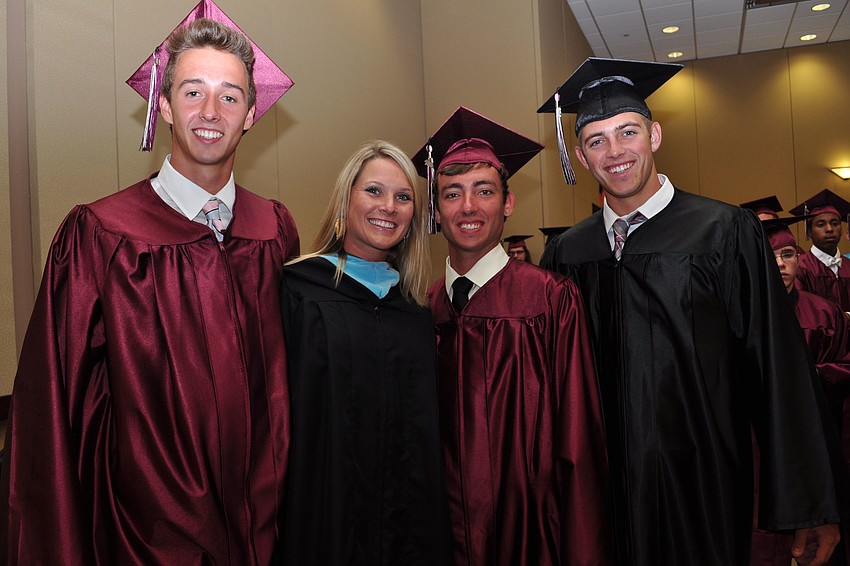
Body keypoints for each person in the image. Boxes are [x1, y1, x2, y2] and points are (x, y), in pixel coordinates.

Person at [0, 10, 299, 565]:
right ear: (162, 104)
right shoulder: (100, 235)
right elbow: (53, 406)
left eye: (231, 96)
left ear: (252, 114)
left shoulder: (273, 229)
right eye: (193, 91)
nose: (211, 112)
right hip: (145, 536)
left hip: (264, 526)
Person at [538, 57, 841, 566]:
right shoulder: (568, 253)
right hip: (602, 488)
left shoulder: (724, 231)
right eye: (597, 140)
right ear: (581, 157)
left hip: (703, 479)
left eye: (627, 132)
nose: (615, 152)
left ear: (654, 135)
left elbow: (776, 364)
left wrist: (810, 502)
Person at [413, 106, 612, 565]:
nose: (468, 207)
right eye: (451, 194)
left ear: (508, 202)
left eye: (484, 191)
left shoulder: (551, 300)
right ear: (436, 209)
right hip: (444, 535)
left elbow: (579, 443)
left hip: (533, 535)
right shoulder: (423, 309)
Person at [279, 140, 451, 565]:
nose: (388, 206)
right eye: (374, 191)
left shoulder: (413, 310)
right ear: (345, 200)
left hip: (407, 521)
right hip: (322, 513)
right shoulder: (297, 288)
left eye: (403, 196)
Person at [750, 218, 850, 566]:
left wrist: (806, 379)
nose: (780, 263)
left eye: (788, 254)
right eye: (770, 254)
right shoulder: (740, 316)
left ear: (798, 257)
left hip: (822, 435)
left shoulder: (825, 312)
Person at [789, 189, 850, 314]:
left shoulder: (849, 265)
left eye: (835, 223)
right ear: (809, 231)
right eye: (821, 224)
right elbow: (803, 311)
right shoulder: (800, 267)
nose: (829, 229)